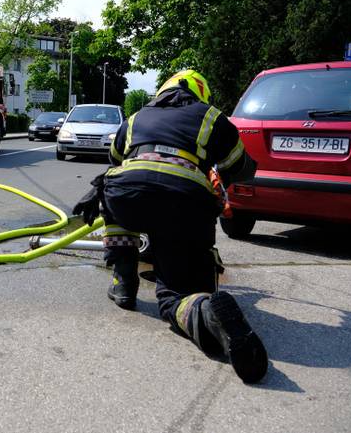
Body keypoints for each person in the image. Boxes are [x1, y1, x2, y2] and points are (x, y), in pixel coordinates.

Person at [73, 69, 267, 384]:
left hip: (128, 196)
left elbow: (114, 159)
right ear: (201, 94)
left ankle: (124, 282)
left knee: (112, 193)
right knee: (176, 294)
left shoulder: (136, 116)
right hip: (185, 205)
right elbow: (241, 169)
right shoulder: (212, 118)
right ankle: (204, 310)